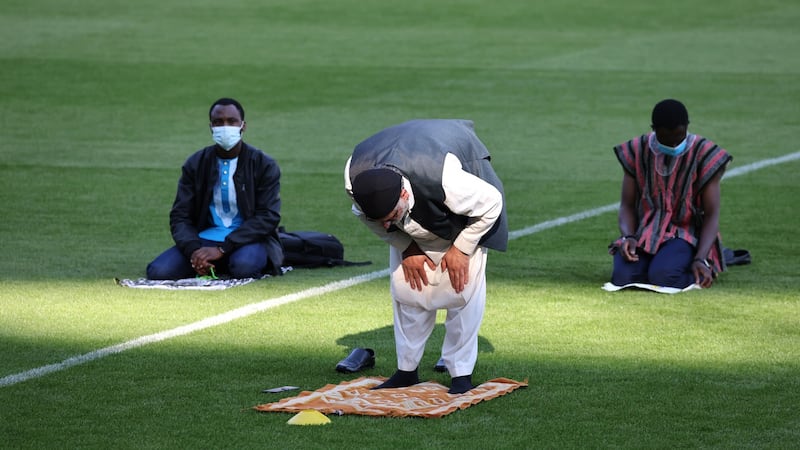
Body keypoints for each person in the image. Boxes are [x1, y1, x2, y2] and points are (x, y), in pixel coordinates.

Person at [344, 119, 508, 394]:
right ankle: (406, 371)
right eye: (381, 220)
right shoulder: (355, 175)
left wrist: (462, 248)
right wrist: (404, 245)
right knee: (408, 292)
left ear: (405, 194)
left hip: (465, 218)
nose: (386, 225)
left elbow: (492, 202)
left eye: (391, 217)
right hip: (415, 202)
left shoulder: (448, 179)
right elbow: (367, 217)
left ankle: (461, 375)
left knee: (462, 292)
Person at [146, 98, 283, 280]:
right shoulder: (195, 163)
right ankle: (208, 263)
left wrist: (222, 249)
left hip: (247, 239)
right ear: (211, 127)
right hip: (204, 239)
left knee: (244, 267)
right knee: (159, 271)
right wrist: (195, 251)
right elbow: (180, 215)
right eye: (218, 122)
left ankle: (222, 261)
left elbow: (268, 216)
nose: (225, 127)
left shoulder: (263, 164)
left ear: (243, 126)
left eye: (232, 121)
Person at [609, 99, 733, 289]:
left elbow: (711, 214)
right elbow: (626, 204)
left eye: (679, 136)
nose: (674, 143)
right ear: (654, 129)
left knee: (664, 276)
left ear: (687, 128)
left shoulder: (704, 153)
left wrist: (700, 258)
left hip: (685, 234)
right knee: (622, 277)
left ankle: (704, 264)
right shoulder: (637, 150)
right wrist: (629, 237)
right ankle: (660, 262)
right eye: (666, 138)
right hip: (646, 232)